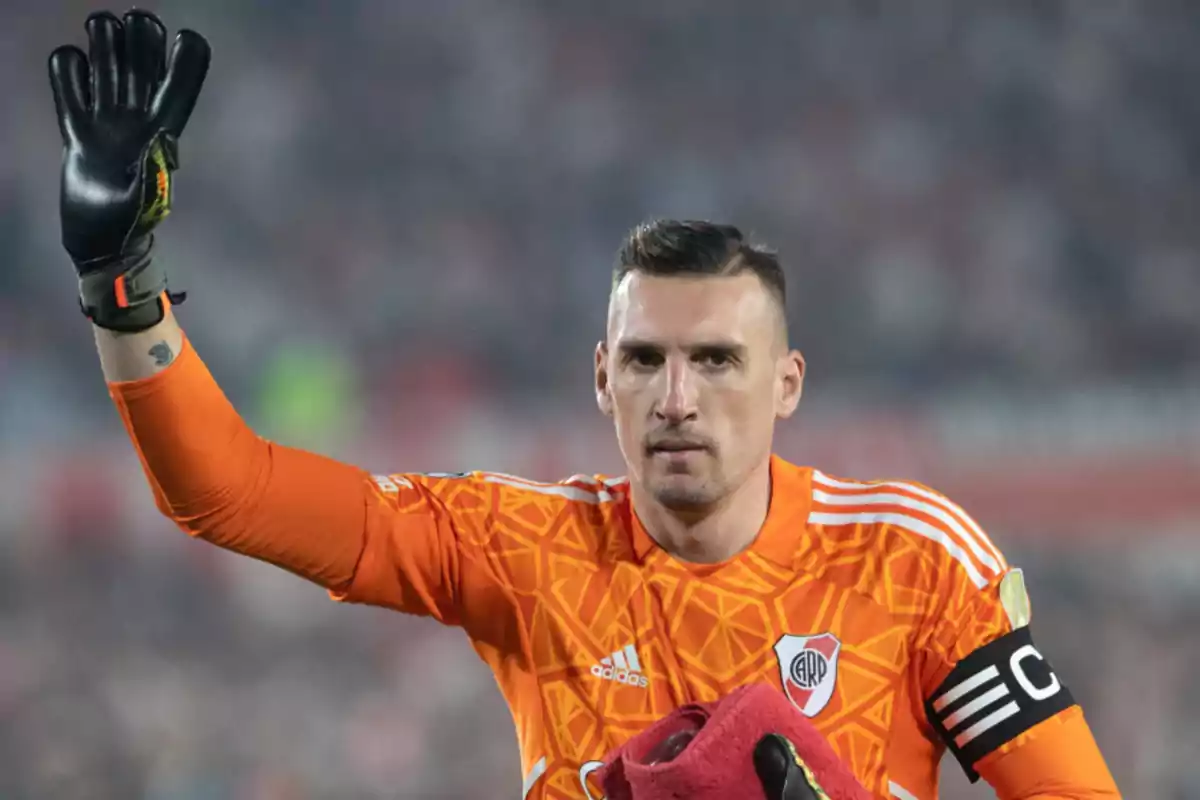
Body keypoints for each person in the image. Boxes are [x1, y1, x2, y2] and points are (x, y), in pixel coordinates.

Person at [46, 9, 1121, 800]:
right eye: (646, 359)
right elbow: (227, 492)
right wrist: (118, 279)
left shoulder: (917, 562)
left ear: (787, 383)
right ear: (601, 377)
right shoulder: (520, 548)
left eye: (717, 360)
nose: (678, 397)